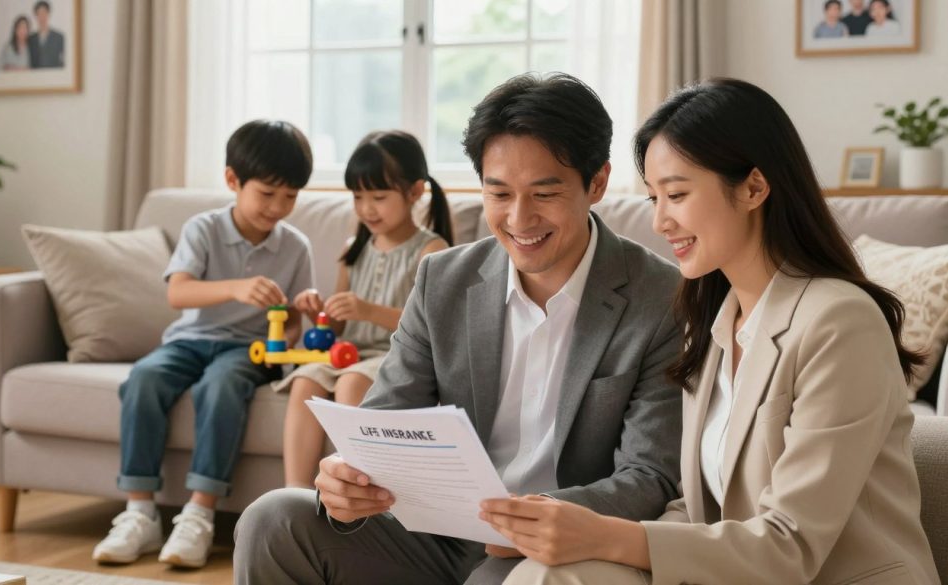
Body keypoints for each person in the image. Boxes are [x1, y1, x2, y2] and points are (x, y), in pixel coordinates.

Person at [233, 72, 684, 585]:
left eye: (544, 193)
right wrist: (347, 477)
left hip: (549, 546)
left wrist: (530, 516)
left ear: (597, 183)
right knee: (273, 519)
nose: (519, 218)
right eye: (499, 193)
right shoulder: (443, 279)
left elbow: (650, 476)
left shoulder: (659, 297)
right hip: (430, 533)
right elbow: (384, 419)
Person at [493, 78, 940, 585]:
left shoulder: (840, 322)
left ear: (753, 187)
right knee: (548, 575)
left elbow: (789, 545)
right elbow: (699, 506)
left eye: (678, 194)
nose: (660, 221)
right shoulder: (713, 325)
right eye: (653, 198)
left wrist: (603, 535)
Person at [91, 120, 315, 569]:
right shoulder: (203, 229)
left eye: (289, 197)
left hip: (247, 350)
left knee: (222, 386)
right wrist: (235, 288)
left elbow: (290, 325)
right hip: (190, 340)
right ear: (233, 180)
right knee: (145, 378)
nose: (277, 207)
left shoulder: (296, 246)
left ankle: (199, 514)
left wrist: (298, 316)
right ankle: (139, 513)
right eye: (267, 194)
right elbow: (178, 292)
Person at [277, 130, 452, 488]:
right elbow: (337, 330)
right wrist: (318, 314)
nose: (366, 208)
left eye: (378, 196)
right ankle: (294, 496)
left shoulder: (431, 250)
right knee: (306, 381)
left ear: (415, 192)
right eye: (358, 197)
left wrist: (369, 310)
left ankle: (359, 494)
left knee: (352, 382)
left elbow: (434, 328)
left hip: (397, 358)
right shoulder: (352, 250)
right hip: (349, 352)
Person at [27, 1, 65, 68]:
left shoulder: (59, 37)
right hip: (35, 76)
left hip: (54, 76)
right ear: (36, 15)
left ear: (48, 14)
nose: (42, 17)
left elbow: (64, 60)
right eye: (39, 13)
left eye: (44, 13)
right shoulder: (30, 39)